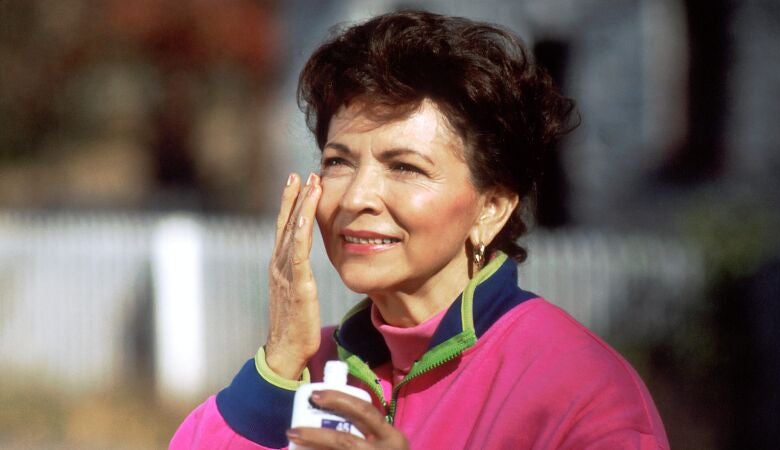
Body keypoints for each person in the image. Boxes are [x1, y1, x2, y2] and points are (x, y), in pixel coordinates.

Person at [171, 10, 669, 450]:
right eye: (338, 161)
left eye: (405, 167)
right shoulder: (304, 368)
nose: (357, 197)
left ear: (493, 207)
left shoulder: (578, 388)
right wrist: (278, 363)